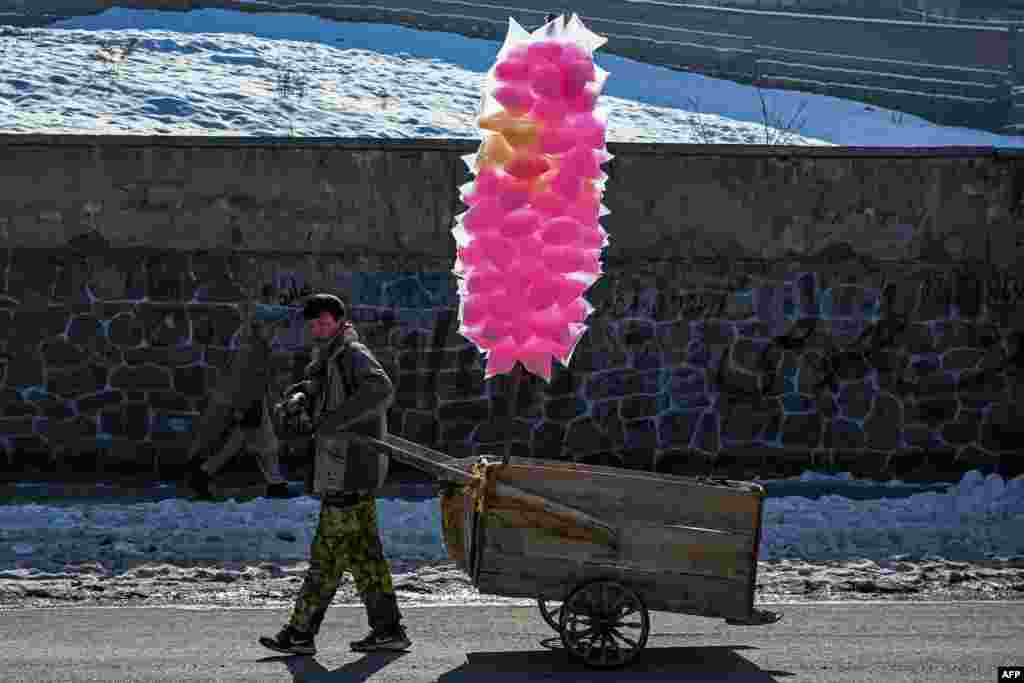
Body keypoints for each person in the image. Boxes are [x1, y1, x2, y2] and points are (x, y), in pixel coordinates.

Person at [259, 293, 410, 656]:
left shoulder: (353, 353)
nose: (318, 329)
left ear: (340, 322)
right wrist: (300, 395)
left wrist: (333, 421)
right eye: (313, 324)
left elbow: (380, 389)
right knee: (365, 556)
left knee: (326, 557)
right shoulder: (328, 357)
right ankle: (388, 629)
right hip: (350, 469)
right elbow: (326, 389)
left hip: (349, 467)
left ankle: (299, 633)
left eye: (324, 323)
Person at [187, 315, 289, 500]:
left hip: (254, 403)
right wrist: (242, 408)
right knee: (244, 444)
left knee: (259, 444)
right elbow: (245, 381)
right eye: (270, 328)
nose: (274, 332)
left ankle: (276, 484)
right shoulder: (254, 349)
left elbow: (255, 381)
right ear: (260, 329)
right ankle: (203, 474)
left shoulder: (258, 348)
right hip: (251, 403)